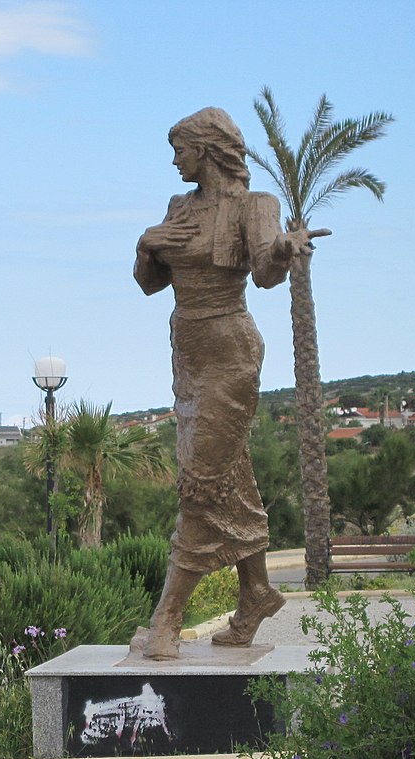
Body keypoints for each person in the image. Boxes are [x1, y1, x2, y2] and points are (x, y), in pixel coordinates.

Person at [131, 106, 325, 660]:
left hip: (230, 351)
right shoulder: (179, 209)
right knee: (227, 482)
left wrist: (285, 249)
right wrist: (146, 244)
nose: (174, 161)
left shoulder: (255, 206)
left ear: (209, 149)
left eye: (180, 150)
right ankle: (257, 593)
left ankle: (166, 620)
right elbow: (150, 286)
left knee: (199, 484)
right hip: (186, 354)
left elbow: (264, 272)